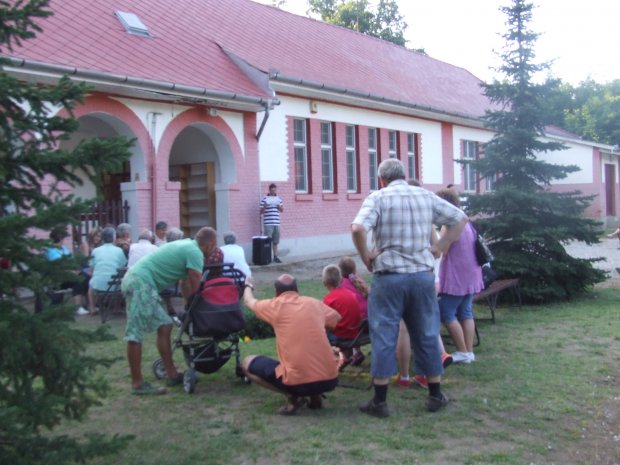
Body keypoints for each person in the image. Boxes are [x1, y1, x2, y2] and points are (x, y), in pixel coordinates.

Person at [351, 158, 468, 417]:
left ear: (381, 179)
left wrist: (366, 256)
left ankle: (379, 402)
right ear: (405, 174)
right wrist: (441, 246)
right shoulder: (425, 196)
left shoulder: (378, 197)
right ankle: (435, 395)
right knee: (426, 332)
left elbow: (358, 228)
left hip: (389, 277)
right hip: (421, 278)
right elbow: (459, 218)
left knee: (384, 334)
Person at [121, 226, 219, 395]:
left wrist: (189, 306)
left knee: (165, 325)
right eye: (215, 245)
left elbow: (185, 284)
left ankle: (172, 374)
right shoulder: (195, 252)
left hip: (140, 281)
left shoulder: (187, 246)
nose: (215, 249)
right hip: (140, 283)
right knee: (135, 333)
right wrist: (202, 308)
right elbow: (196, 285)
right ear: (209, 244)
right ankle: (137, 384)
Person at [241, 274, 341, 415]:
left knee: (246, 363)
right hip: (330, 379)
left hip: (298, 382)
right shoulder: (314, 303)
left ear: (276, 293)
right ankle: (315, 397)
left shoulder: (274, 306)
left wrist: (248, 285)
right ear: (297, 290)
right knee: (308, 365)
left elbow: (248, 301)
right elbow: (336, 318)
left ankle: (293, 397)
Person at [435, 188, 484, 364]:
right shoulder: (465, 220)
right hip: (471, 274)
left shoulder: (449, 224)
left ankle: (462, 351)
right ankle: (468, 352)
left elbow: (443, 250)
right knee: (466, 312)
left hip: (456, 276)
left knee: (446, 313)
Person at [321, 264, 363, 370]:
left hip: (343, 335)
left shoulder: (329, 299)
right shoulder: (350, 293)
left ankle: (326, 362)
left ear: (324, 283)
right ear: (340, 280)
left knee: (317, 332)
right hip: (356, 332)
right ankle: (347, 356)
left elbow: (323, 320)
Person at [44, 228, 89, 315]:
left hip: (68, 274)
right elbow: (59, 267)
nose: (64, 240)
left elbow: (71, 262)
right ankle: (78, 307)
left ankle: (90, 304)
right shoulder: (51, 251)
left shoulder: (64, 248)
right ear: (60, 239)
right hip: (57, 278)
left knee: (86, 277)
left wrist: (75, 269)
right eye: (63, 238)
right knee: (78, 280)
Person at [89, 226, 128, 310]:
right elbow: (123, 265)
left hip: (98, 284)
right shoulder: (119, 250)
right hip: (115, 285)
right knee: (119, 281)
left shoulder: (95, 251)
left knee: (91, 285)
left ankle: (92, 308)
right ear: (114, 238)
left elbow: (91, 268)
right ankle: (116, 308)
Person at [259, 183, 283, 263]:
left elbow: (282, 210)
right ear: (269, 190)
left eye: (275, 190)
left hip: (276, 223)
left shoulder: (278, 199)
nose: (273, 192)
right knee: (268, 241)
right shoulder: (264, 199)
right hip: (268, 223)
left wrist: (278, 206)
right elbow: (261, 212)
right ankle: (267, 257)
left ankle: (275, 256)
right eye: (272, 190)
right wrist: (265, 206)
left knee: (275, 241)